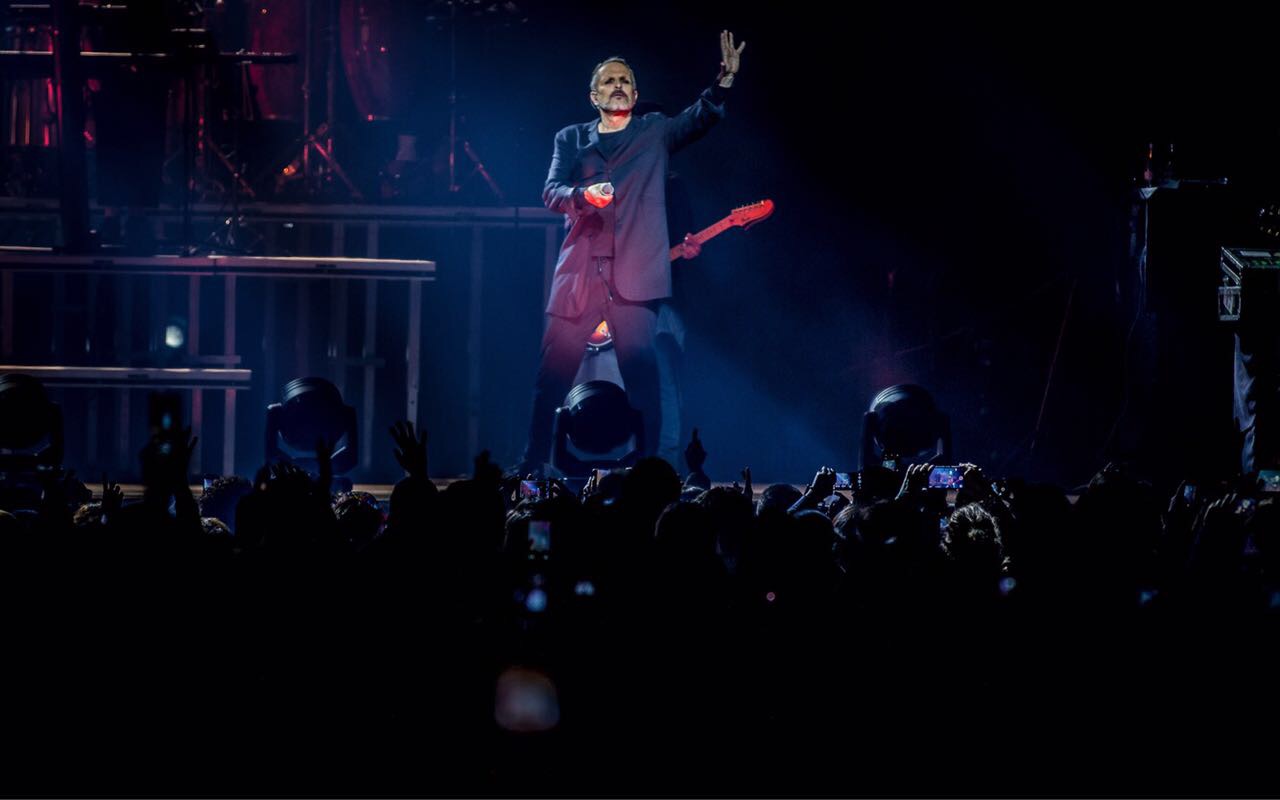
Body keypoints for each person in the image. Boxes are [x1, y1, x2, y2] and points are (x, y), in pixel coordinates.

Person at [517, 31, 745, 476]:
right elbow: (551, 191)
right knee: (551, 378)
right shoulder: (571, 139)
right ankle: (531, 465)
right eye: (608, 81)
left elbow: (698, 119)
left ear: (635, 95)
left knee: (643, 381)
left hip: (635, 279)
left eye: (625, 80)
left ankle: (649, 471)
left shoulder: (654, 132)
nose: (617, 85)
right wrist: (583, 196)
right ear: (594, 96)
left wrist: (723, 83)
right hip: (580, 276)